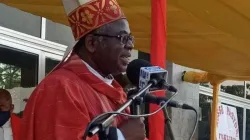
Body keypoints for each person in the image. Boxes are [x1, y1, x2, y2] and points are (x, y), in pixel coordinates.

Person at [20, 0, 146, 140]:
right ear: (92, 43)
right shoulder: (61, 87)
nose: (130, 45)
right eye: (122, 37)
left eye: (130, 38)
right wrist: (122, 136)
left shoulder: (115, 92)